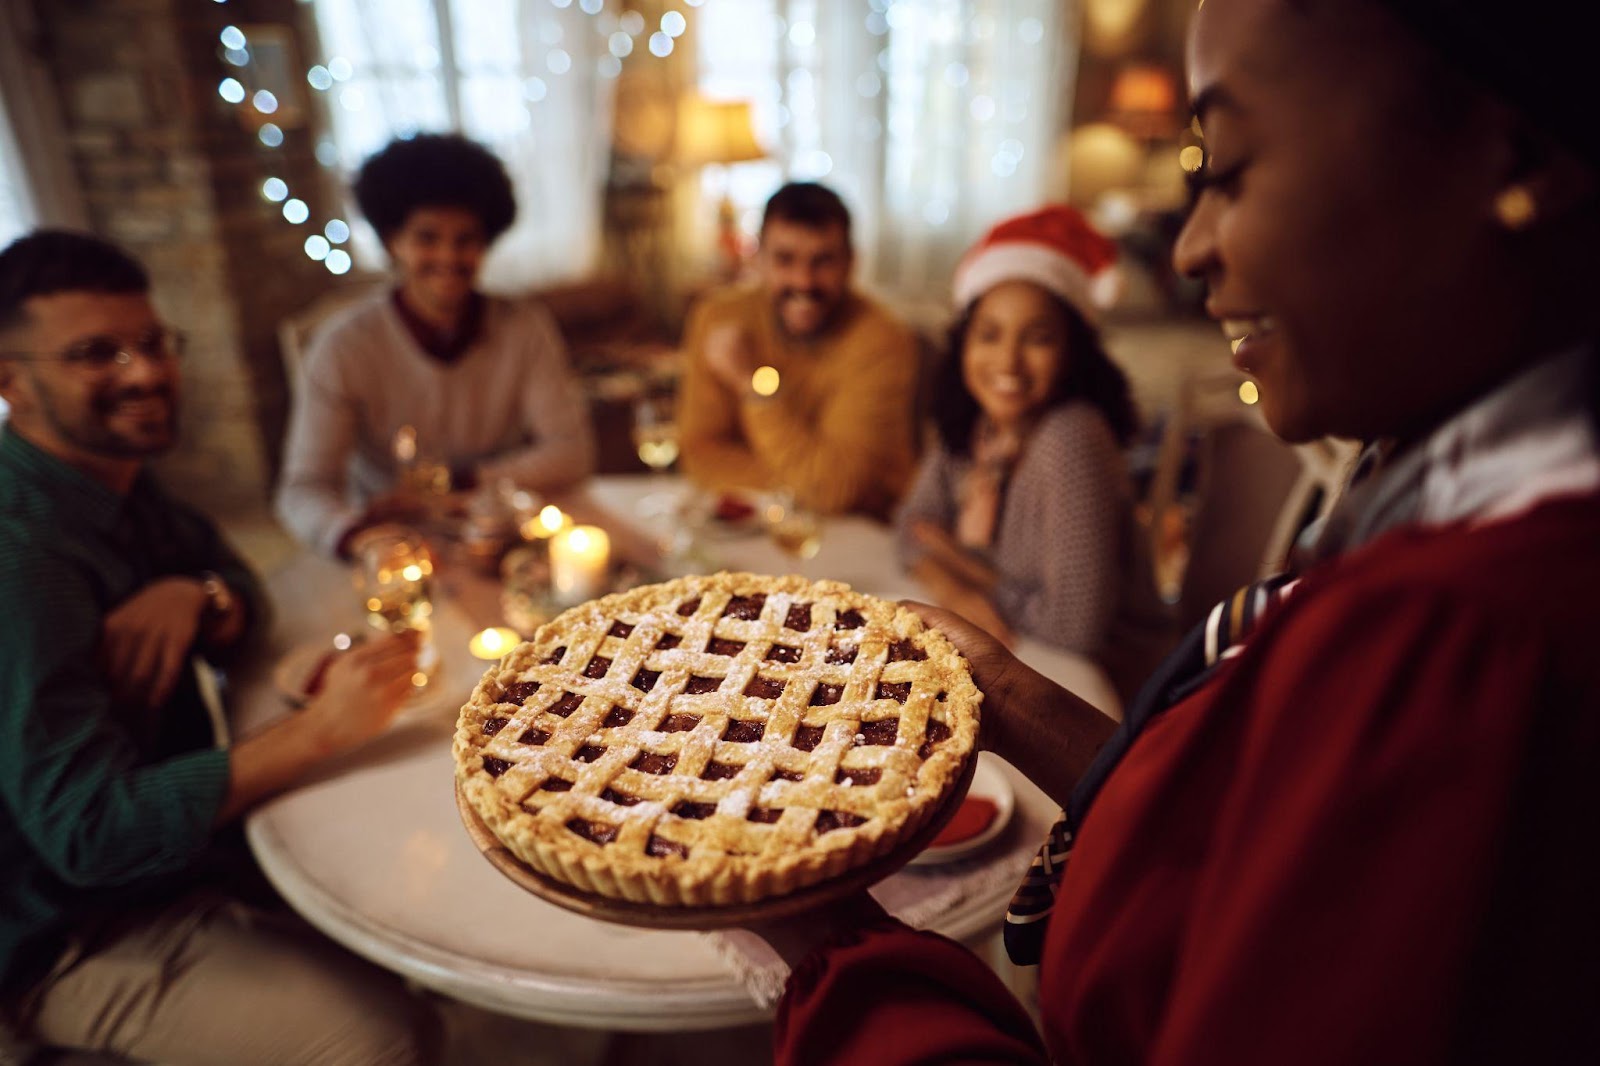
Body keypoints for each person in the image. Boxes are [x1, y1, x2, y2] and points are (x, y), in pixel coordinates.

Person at [750, 0, 1600, 1062]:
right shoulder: (1417, 517)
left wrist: (823, 935)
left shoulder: (1456, 644)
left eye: (1229, 166)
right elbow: (1224, 858)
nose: (1191, 246)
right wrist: (998, 683)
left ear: (1510, 150)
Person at [0, 231, 436, 1064]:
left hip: (177, 864)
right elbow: (89, 834)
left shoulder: (109, 478)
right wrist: (319, 730)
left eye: (153, 342)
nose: (145, 372)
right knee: (382, 1037)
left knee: (401, 880)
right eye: (97, 354)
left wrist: (196, 596)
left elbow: (238, 577)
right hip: (58, 932)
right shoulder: (21, 554)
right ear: (9, 380)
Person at [895, 205, 1171, 700]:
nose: (1007, 360)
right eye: (989, 334)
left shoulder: (1071, 437)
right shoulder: (976, 423)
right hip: (1019, 661)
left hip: (1112, 696)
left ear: (1071, 351)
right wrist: (951, 584)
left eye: (1038, 338)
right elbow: (910, 525)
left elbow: (1071, 629)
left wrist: (961, 564)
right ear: (964, 343)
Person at [276, 132, 595, 557]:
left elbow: (571, 452)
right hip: (393, 546)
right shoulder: (342, 347)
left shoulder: (525, 328)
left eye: (466, 240)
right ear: (393, 242)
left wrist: (460, 482)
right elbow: (303, 489)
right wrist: (354, 536)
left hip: (503, 535)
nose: (448, 257)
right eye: (428, 238)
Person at [677, 182, 920, 518]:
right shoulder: (718, 318)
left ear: (851, 263)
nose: (804, 281)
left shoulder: (883, 340)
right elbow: (699, 455)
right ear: (758, 258)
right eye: (785, 259)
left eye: (823, 261)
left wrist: (752, 386)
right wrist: (804, 486)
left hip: (862, 528)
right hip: (761, 519)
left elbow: (834, 490)